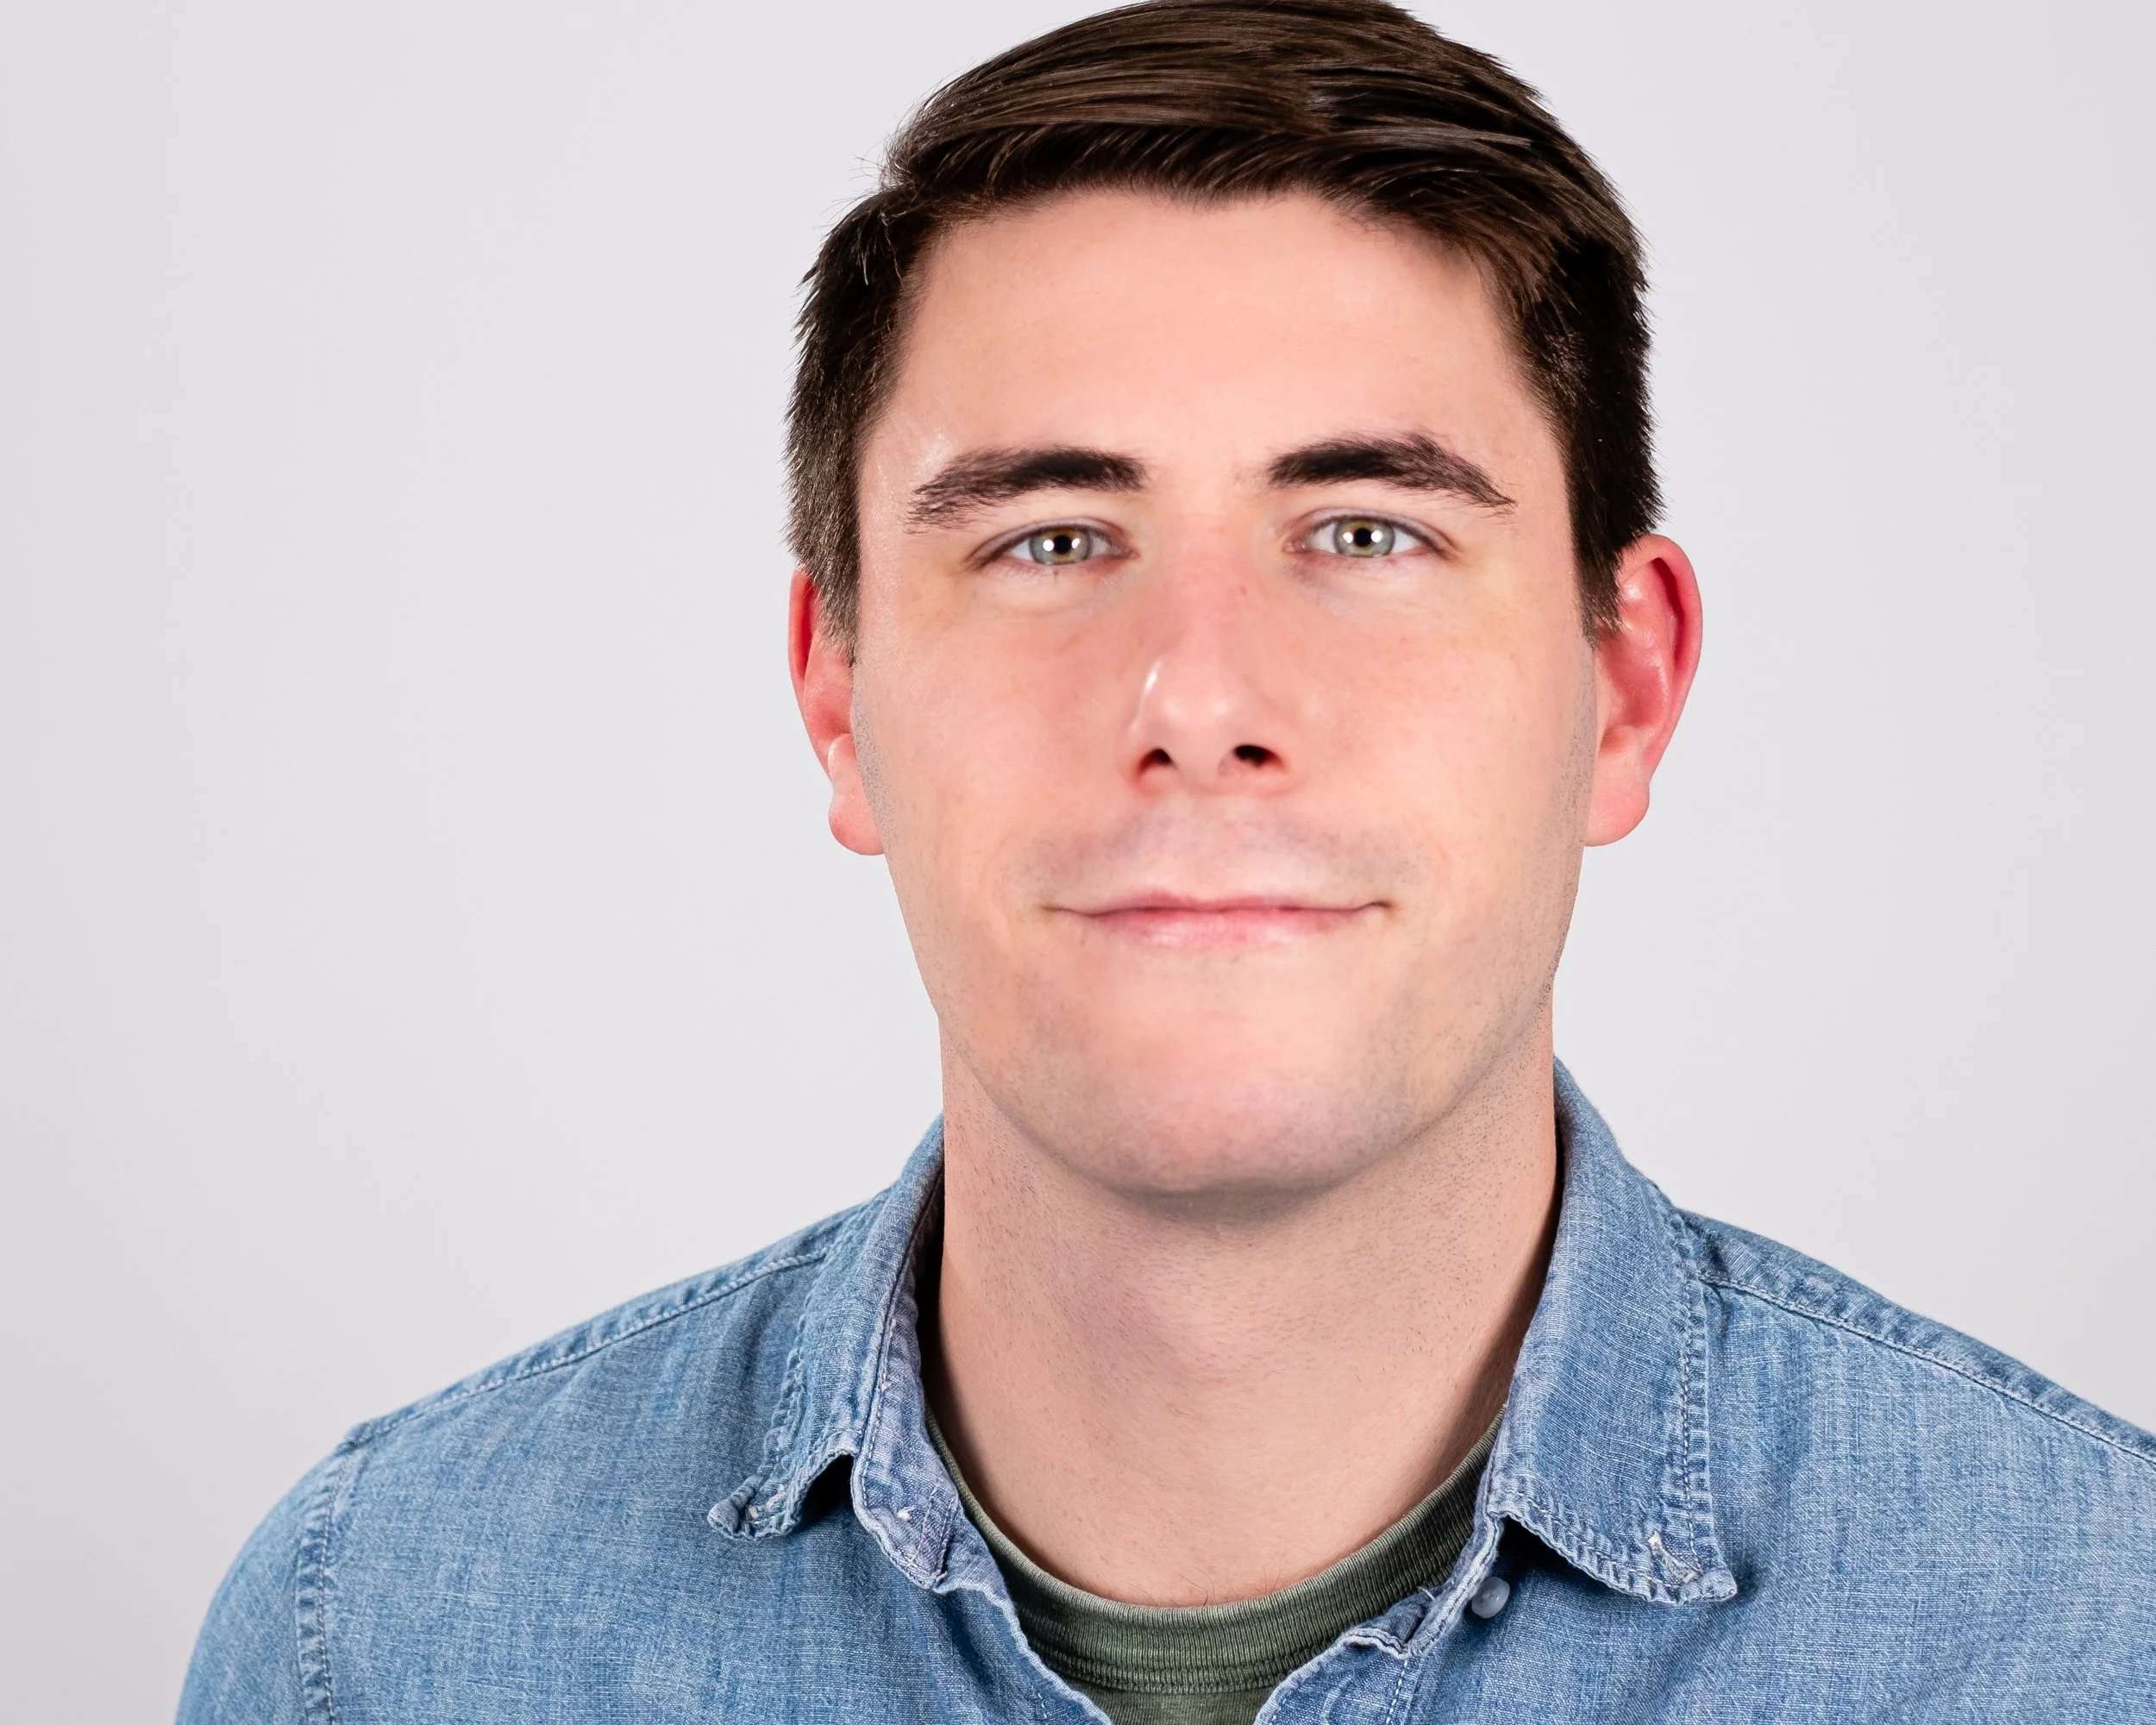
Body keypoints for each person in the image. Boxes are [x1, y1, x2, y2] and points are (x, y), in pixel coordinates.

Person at [179, 2, 2156, 1719]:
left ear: (1623, 685)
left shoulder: (2100, 1642)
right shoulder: (380, 1637)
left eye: (1366, 529)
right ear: (836, 693)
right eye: (1048, 537)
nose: (1198, 695)